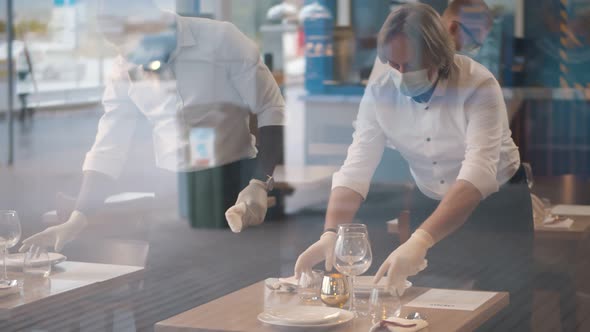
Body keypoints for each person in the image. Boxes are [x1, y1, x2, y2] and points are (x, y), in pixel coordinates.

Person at [295, 3, 533, 330]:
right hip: (431, 200)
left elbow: (477, 174)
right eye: (393, 63)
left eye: (411, 64)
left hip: (500, 201)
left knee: (508, 311)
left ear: (437, 55)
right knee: (424, 310)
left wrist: (420, 241)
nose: (401, 74)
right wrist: (330, 234)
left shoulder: (478, 84)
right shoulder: (380, 90)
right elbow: (355, 167)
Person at [19, 0, 285, 254]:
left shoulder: (222, 40)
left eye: (130, 42)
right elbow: (110, 145)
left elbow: (270, 108)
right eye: (118, 45)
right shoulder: (125, 68)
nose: (127, 54)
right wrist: (78, 218)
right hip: (171, 202)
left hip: (236, 187)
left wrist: (261, 181)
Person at [368, 0, 493, 83]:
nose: (474, 50)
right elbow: (373, 112)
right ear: (453, 28)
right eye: (473, 43)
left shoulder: (455, 68)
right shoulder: (401, 44)